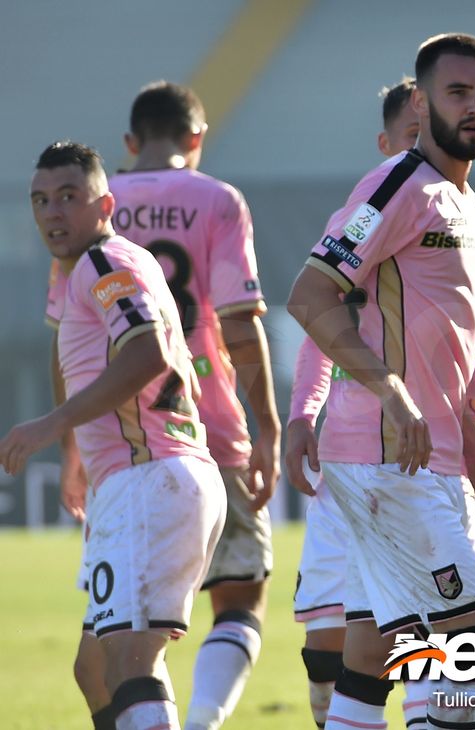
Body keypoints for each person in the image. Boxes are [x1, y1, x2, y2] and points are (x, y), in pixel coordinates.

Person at [287, 33, 475, 730]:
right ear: (420, 103)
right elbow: (310, 295)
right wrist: (387, 390)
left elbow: (444, 361)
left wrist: (474, 447)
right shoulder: (397, 186)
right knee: (466, 643)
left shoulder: (468, 208)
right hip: (385, 460)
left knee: (375, 653)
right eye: (458, 92)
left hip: (429, 459)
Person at [45, 81, 279, 730]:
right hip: (211, 427)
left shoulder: (84, 216)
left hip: (126, 446)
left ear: (129, 142)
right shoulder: (218, 200)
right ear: (196, 137)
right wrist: (268, 426)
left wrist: (68, 446)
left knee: (120, 649)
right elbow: (240, 321)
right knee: (237, 598)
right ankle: (200, 719)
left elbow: (68, 346)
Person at [3, 141, 226, 730]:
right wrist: (74, 454)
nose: (53, 212)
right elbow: (80, 355)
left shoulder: (104, 263)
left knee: (129, 659)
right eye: (41, 200)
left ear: (105, 204)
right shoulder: (89, 266)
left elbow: (147, 353)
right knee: (96, 668)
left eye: (68, 197)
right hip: (145, 477)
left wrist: (52, 423)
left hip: (151, 477)